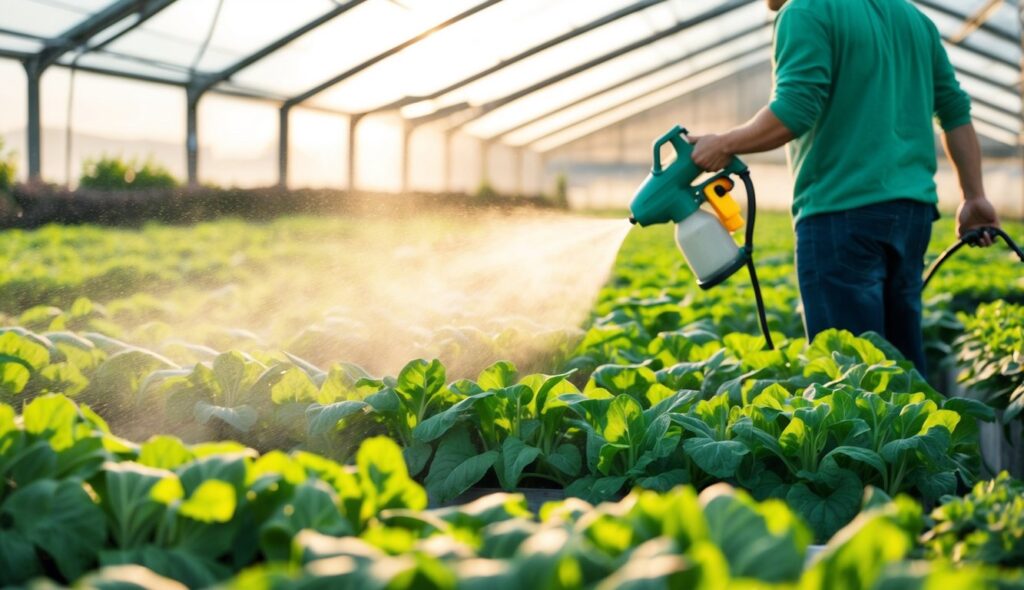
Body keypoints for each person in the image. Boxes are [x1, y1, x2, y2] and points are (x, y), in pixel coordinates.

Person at [689, 0, 1001, 373]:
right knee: (901, 370)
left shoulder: (805, 10)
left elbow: (795, 109)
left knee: (848, 378)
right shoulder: (914, 20)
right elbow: (954, 111)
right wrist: (974, 196)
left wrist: (723, 144)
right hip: (911, 215)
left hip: (841, 215)